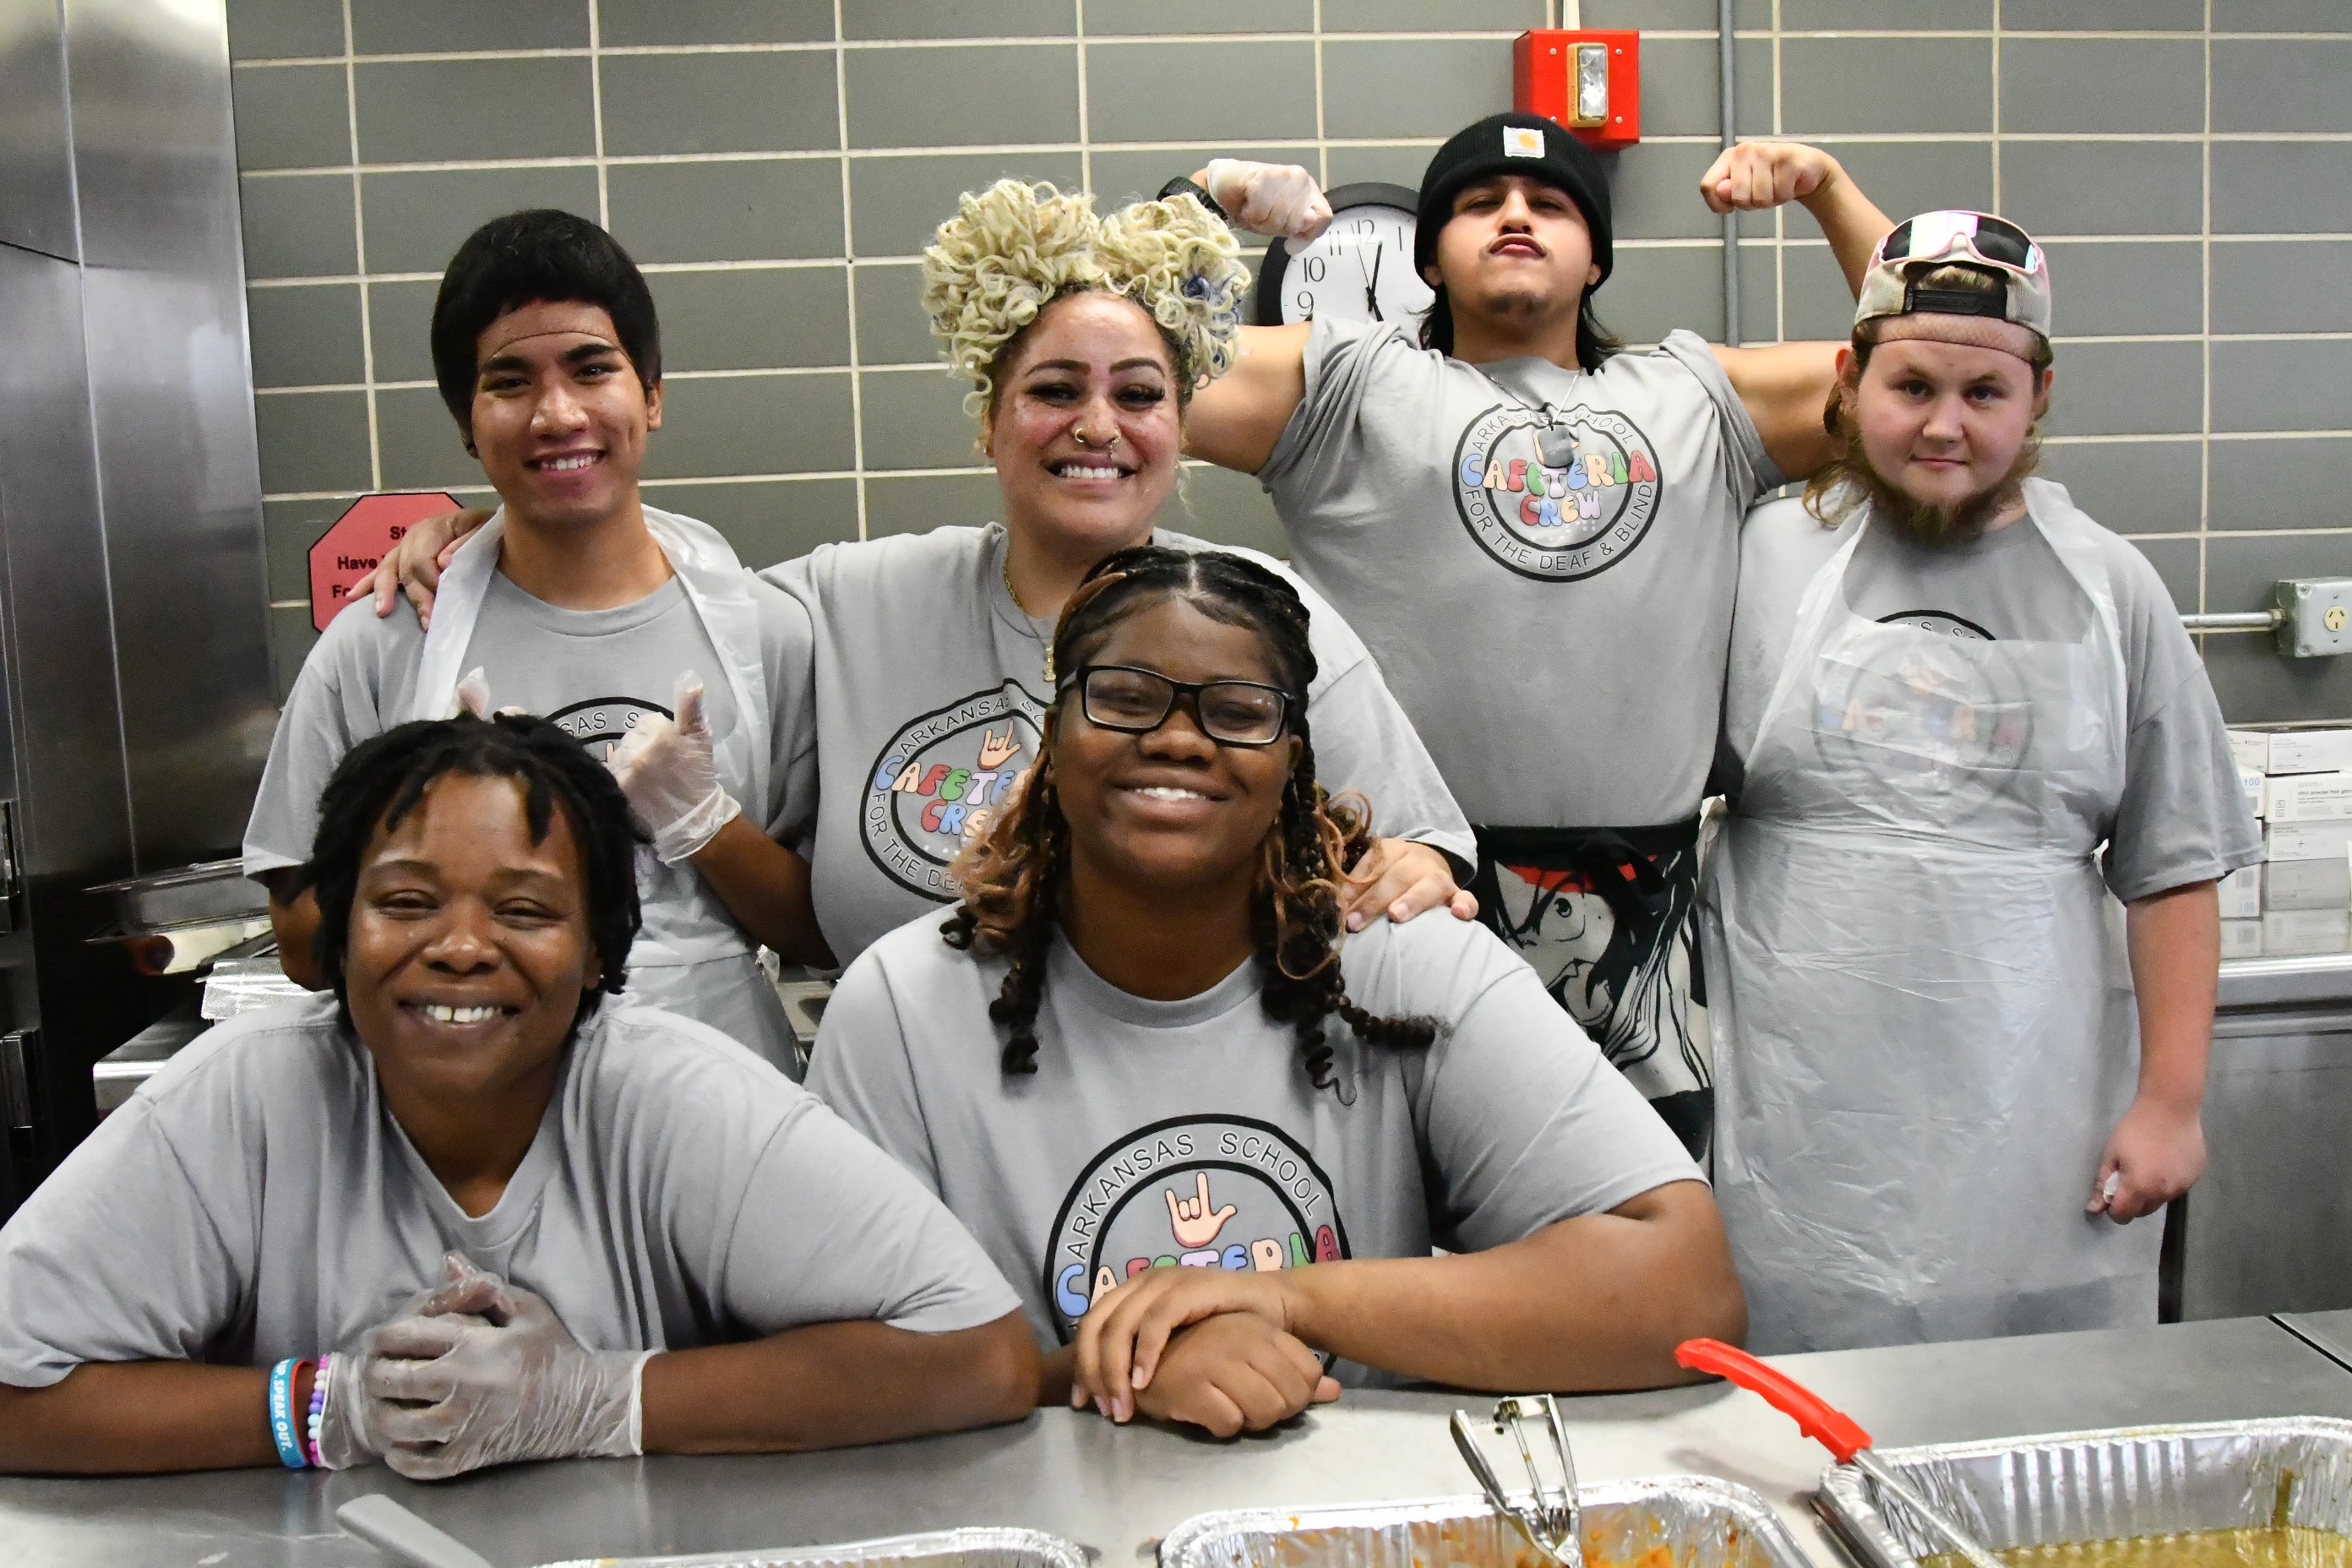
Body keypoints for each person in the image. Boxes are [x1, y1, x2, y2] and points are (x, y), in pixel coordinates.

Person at [363, 182, 1476, 969]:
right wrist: (501, 523)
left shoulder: (1265, 621)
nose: (1098, 425)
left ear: (1179, 427)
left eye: (1139, 395)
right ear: (989, 422)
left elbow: (1419, 846)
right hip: (904, 1164)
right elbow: (646, 587)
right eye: (1053, 391)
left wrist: (1416, 876)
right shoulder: (856, 605)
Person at [808, 546, 1743, 1439]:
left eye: (1238, 709)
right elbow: (840, 1379)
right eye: (1125, 698)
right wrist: (1121, 1366)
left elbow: (1686, 1294)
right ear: (1053, 735)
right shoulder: (899, 1006)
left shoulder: (1400, 962)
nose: (1177, 738)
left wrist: (1280, 1295)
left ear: (1294, 754)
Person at [0, 712, 1033, 1478]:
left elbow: (977, 1354)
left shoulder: (676, 1095)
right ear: (337, 932)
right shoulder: (243, 1098)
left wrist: (596, 1399)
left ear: (598, 952)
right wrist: (330, 1406)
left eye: (525, 909)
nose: (457, 948)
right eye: (404, 901)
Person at [1139, 121, 1895, 1155]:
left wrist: (1829, 187)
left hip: (1644, 928)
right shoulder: (1345, 388)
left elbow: (1938, 364)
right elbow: (1112, 359)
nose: (1514, 217)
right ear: (1430, 255)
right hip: (1398, 894)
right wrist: (1201, 199)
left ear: (1597, 257)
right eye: (1478, 201)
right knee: (1399, 1218)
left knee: (1640, 1243)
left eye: (1549, 203)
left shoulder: (1701, 397)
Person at [1697, 212, 2261, 1353]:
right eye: (1911, 387)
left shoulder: (2114, 590)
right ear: (1850, 380)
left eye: (1985, 395)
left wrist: (2170, 1104)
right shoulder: (1754, 559)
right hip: (1793, 1130)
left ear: (2038, 397)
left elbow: (2175, 866)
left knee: (2027, 1438)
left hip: (2033, 1120)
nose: (1944, 427)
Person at [246, 210, 824, 1072]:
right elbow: (298, 942)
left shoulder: (768, 632)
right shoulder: (386, 640)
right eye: (510, 382)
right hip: (463, 1120)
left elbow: (818, 927)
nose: (558, 413)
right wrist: (441, 852)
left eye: (593, 369)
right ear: (465, 423)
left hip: (716, 1109)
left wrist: (704, 821)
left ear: (652, 394)